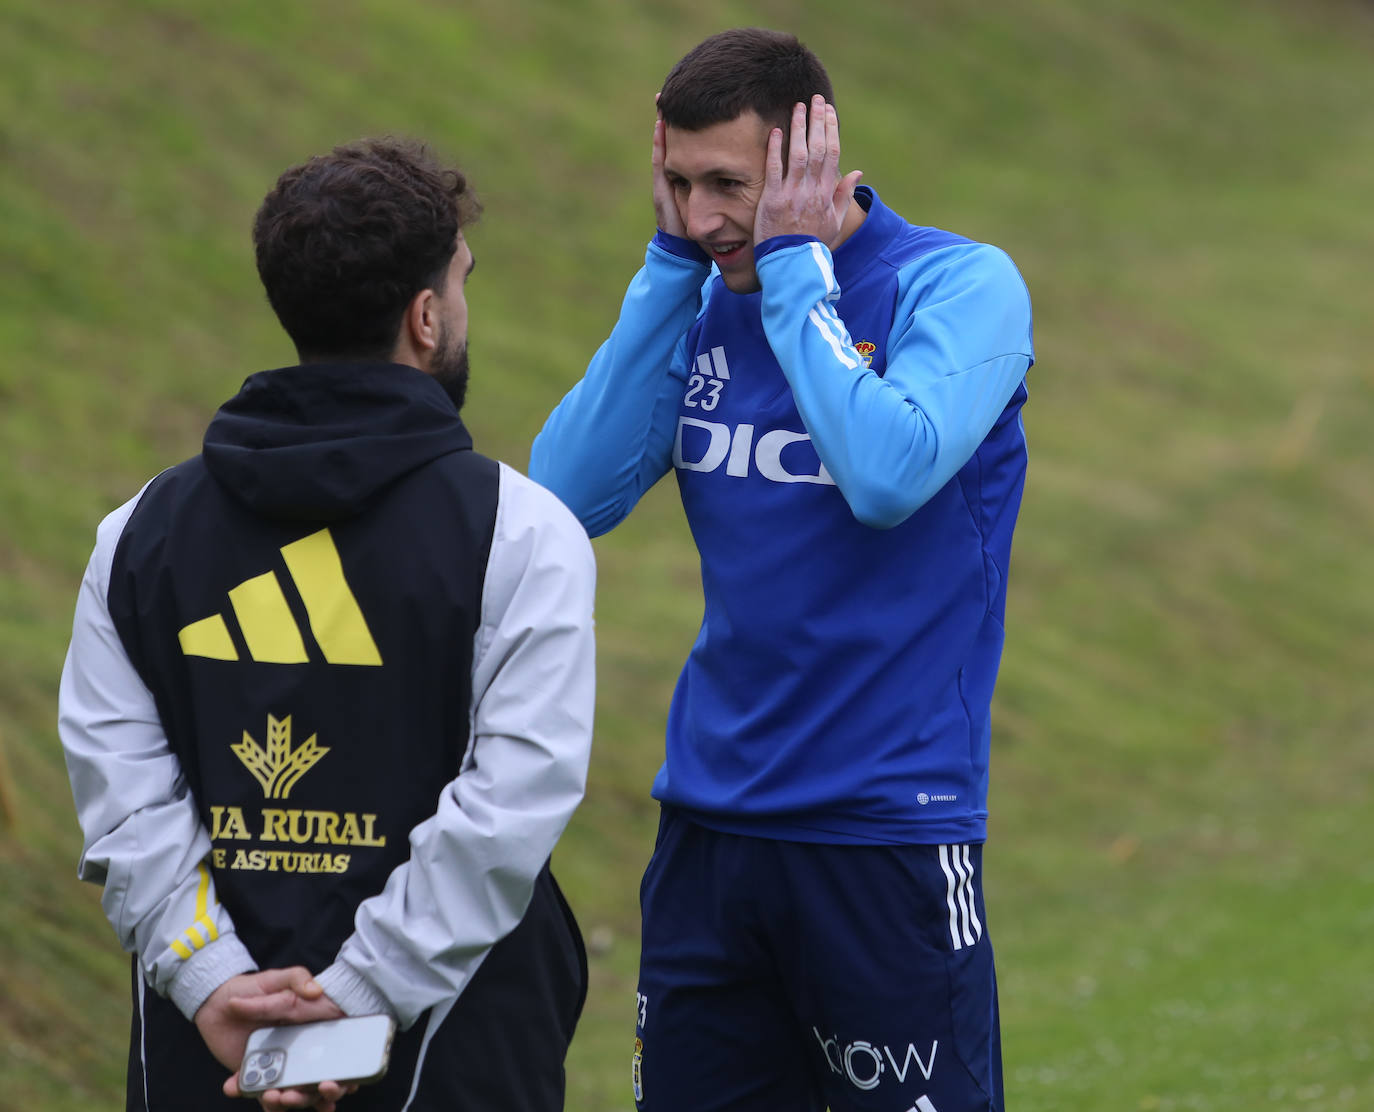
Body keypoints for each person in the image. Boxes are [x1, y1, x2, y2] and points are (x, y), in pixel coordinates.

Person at [529, 27, 1033, 1112]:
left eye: (730, 186)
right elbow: (564, 498)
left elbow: (887, 473)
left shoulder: (959, 286)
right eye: (677, 182)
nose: (705, 217)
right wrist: (669, 274)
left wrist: (801, 273)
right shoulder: (704, 290)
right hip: (709, 832)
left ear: (814, 163)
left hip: (884, 830)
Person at [58, 137, 596, 1111]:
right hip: (451, 1051)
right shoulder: (523, 533)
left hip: (210, 1046)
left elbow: (122, 795)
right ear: (426, 317)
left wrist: (209, 974)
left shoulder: (136, 534)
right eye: (462, 284)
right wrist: (348, 1006)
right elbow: (511, 805)